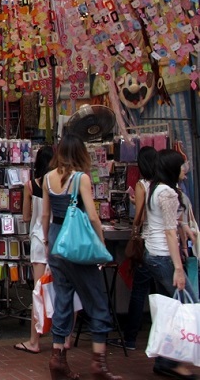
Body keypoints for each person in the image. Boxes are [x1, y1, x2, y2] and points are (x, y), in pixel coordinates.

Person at [42, 133, 121, 380]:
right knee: (96, 299)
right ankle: (99, 362)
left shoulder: (47, 178)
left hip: (57, 241)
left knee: (63, 300)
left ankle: (57, 358)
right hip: (77, 244)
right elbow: (94, 217)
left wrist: (46, 241)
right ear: (81, 153)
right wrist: (101, 242)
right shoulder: (81, 179)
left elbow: (45, 215)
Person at [144, 149, 196, 379]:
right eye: (182, 166)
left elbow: (167, 223)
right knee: (187, 306)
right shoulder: (167, 193)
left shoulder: (155, 188)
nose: (185, 171)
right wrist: (178, 268)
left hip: (154, 254)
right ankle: (177, 362)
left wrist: (183, 226)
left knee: (170, 309)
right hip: (164, 257)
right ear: (173, 169)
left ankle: (166, 361)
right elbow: (168, 232)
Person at [109, 146, 158, 351]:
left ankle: (130, 338)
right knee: (158, 293)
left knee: (139, 291)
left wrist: (136, 208)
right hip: (161, 248)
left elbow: (140, 217)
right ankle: (159, 336)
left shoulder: (142, 185)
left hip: (146, 243)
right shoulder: (163, 185)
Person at [15, 145, 54, 354]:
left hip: (39, 239)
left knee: (38, 291)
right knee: (60, 289)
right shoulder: (59, 183)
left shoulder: (30, 185)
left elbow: (26, 216)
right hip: (57, 239)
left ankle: (34, 340)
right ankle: (62, 339)